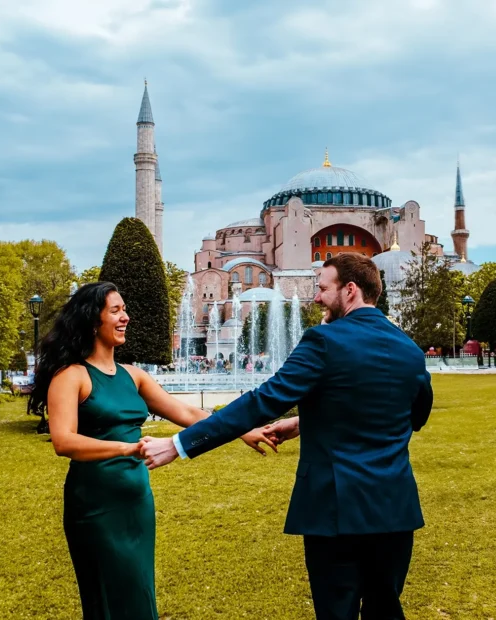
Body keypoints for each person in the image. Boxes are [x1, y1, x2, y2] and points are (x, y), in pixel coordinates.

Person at [141, 254, 433, 620]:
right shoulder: (408, 349)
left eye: (323, 289)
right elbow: (411, 416)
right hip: (394, 510)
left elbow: (262, 401)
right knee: (385, 609)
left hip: (335, 511)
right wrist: (303, 424)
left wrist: (178, 444)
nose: (315, 298)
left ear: (351, 290)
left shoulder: (323, 341)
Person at [27, 282, 276, 620]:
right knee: (108, 597)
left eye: (124, 310)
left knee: (138, 591)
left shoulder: (134, 375)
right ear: (91, 321)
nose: (125, 317)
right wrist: (128, 448)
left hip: (136, 502)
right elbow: (63, 441)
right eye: (115, 311)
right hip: (95, 506)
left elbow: (187, 414)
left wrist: (241, 430)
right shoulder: (71, 377)